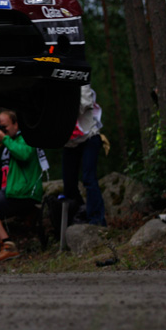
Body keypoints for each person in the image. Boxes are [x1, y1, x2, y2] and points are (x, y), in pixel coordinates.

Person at [0, 110, 44, 263]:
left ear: (16, 124)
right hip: (10, 191)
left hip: (23, 190)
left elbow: (24, 154)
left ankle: (8, 246)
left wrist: (5, 139)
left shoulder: (26, 138)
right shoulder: (4, 143)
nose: (2, 131)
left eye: (4, 127)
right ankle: (29, 212)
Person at [62, 85, 107, 226]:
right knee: (69, 183)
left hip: (89, 136)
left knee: (89, 178)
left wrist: (60, 109)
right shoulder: (52, 84)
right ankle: (81, 214)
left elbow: (85, 104)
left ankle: (97, 221)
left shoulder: (80, 80)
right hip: (69, 142)